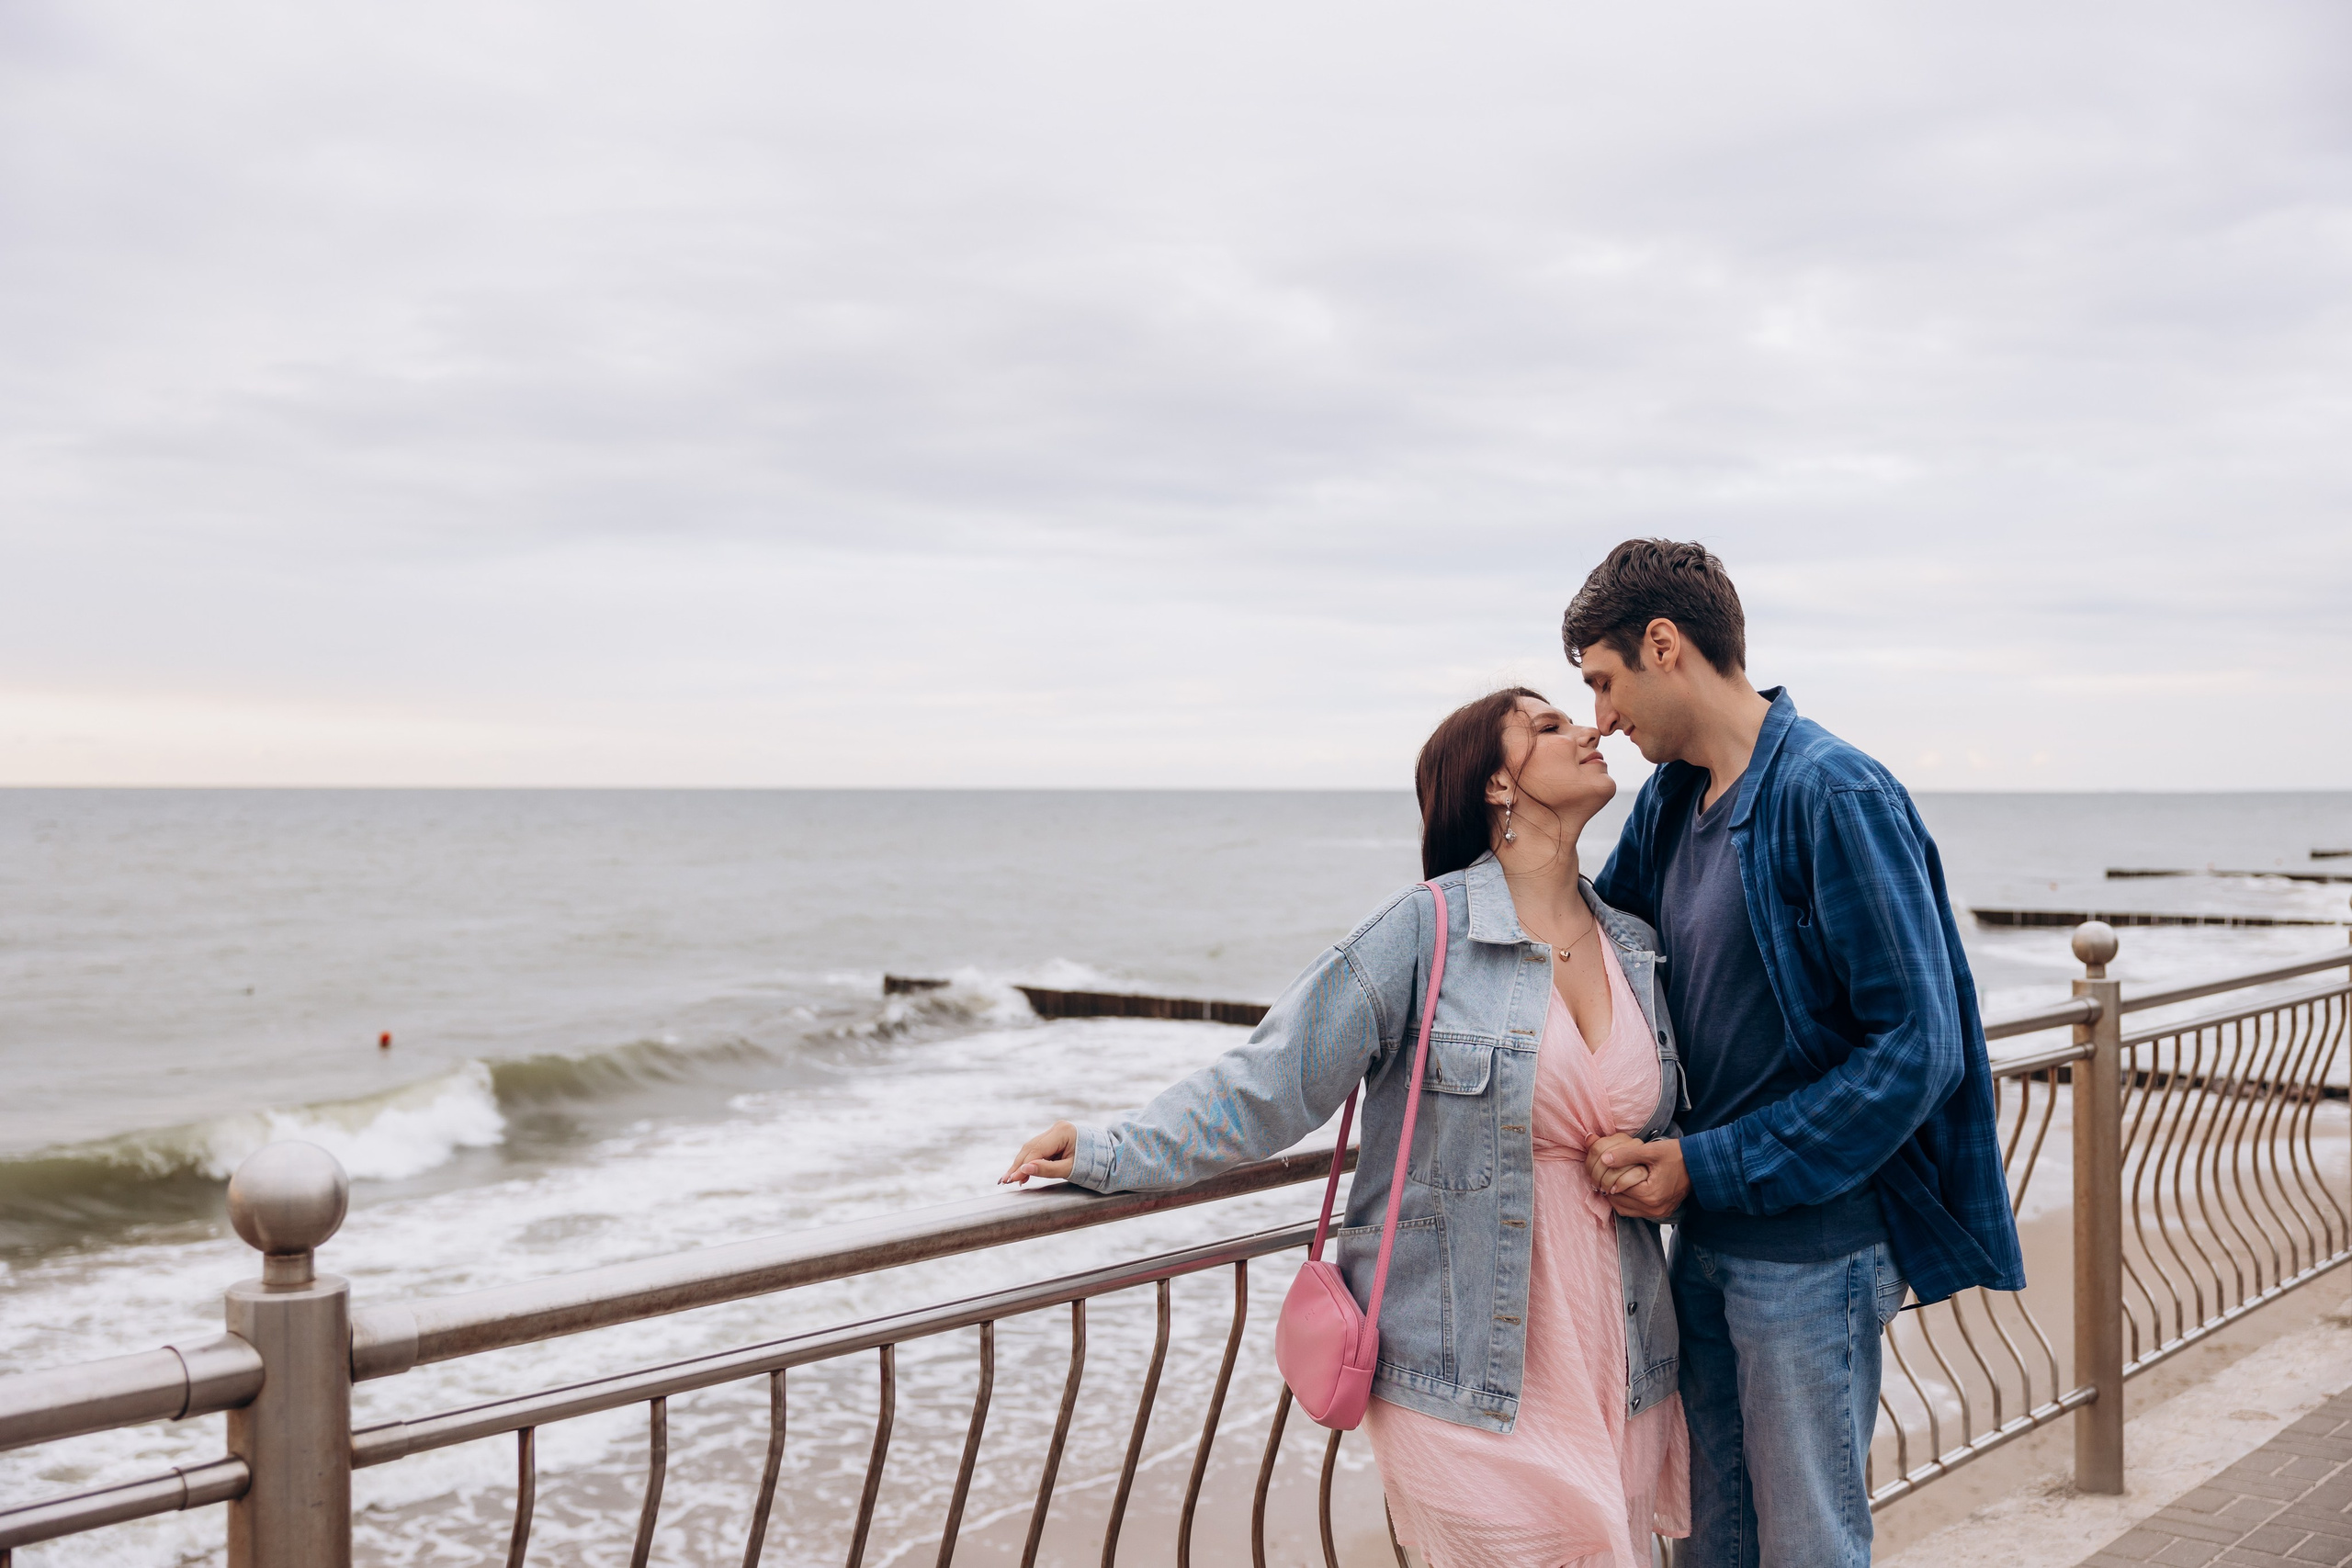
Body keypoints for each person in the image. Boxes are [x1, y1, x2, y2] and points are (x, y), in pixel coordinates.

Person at [1003, 689, 1691, 1568]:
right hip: (1463, 1379)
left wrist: (1678, 1166)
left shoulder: (1633, 943)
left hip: (1621, 1361)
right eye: (1549, 725)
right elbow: (1272, 1080)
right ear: (1496, 783)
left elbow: (1681, 1128)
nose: (1590, 727)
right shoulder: (1425, 930)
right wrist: (1109, 1149)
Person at [1565, 539, 2023, 1568]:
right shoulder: (1671, 801)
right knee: (1711, 1545)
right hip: (1704, 1239)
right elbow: (1595, 946)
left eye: (1602, 682)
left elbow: (1916, 1050)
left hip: (1817, 1252)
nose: (1601, 717)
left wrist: (1704, 1164)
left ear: (1663, 644)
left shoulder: (1833, 792)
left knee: (1809, 1548)